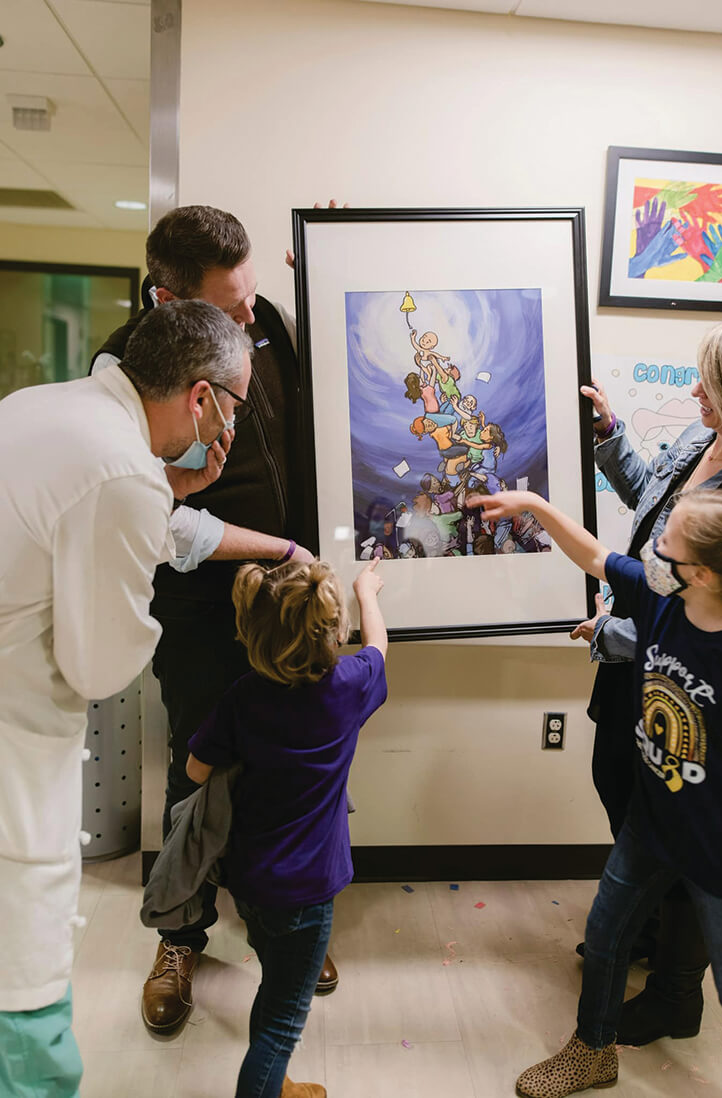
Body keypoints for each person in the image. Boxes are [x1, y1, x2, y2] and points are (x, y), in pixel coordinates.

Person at [91, 205, 347, 1031]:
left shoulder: (263, 314)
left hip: (289, 589)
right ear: (169, 303)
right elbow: (162, 524)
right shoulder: (124, 372)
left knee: (304, 750)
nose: (251, 319)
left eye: (252, 300)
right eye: (230, 308)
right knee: (199, 759)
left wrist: (330, 268)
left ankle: (292, 922)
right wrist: (271, 547)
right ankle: (178, 934)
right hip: (201, 595)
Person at [469, 486, 722, 1098]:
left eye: (664, 545)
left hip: (721, 858)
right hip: (650, 827)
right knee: (604, 937)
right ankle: (593, 1052)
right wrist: (533, 506)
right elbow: (596, 557)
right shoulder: (660, 600)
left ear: (700, 573)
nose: (650, 551)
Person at [0, 300, 251, 1098]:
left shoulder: (45, 406)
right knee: (28, 1036)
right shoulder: (122, 474)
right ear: (202, 397)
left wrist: (166, 492)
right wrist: (155, 503)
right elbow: (102, 668)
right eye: (236, 405)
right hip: (12, 749)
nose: (232, 426)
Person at [574, 307, 722, 1042]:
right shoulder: (710, 439)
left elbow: (713, 641)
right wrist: (610, 438)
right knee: (622, 791)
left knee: (679, 842)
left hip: (683, 698)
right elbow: (650, 506)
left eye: (715, 381)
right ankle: (639, 935)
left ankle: (676, 995)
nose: (697, 386)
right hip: (634, 676)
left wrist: (611, 632)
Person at [185, 558, 388, 1098]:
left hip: (248, 882)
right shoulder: (349, 686)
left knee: (273, 990)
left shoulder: (243, 696)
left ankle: (279, 1087)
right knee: (281, 1026)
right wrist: (368, 591)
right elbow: (379, 648)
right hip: (307, 894)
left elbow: (195, 769)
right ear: (332, 631)